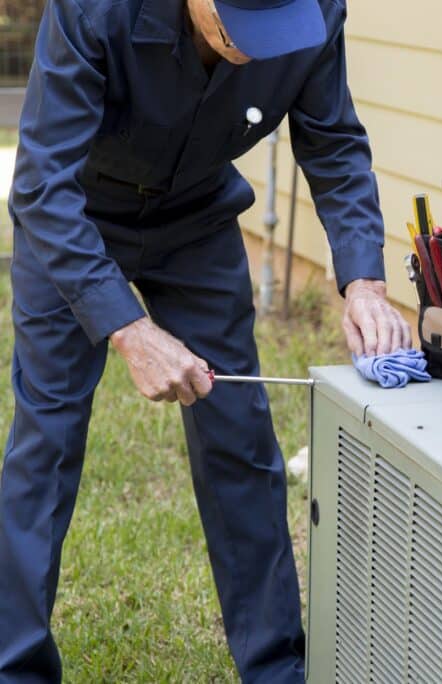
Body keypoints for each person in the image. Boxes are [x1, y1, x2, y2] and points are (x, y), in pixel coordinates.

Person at [0, 0, 411, 680]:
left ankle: (277, 668)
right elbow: (42, 187)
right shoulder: (96, 10)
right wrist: (130, 329)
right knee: (46, 442)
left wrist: (363, 281)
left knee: (240, 441)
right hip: (77, 215)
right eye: (235, 29)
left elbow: (333, 141)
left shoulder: (316, 14)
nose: (252, 52)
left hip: (196, 218)